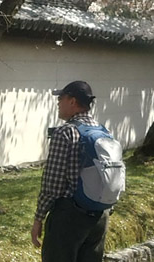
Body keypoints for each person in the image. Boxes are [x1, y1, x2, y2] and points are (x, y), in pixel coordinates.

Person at [33, 80, 117, 262]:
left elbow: (52, 184)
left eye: (61, 98)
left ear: (72, 101)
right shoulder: (104, 131)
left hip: (69, 217)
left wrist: (39, 218)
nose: (57, 102)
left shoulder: (65, 132)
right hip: (99, 217)